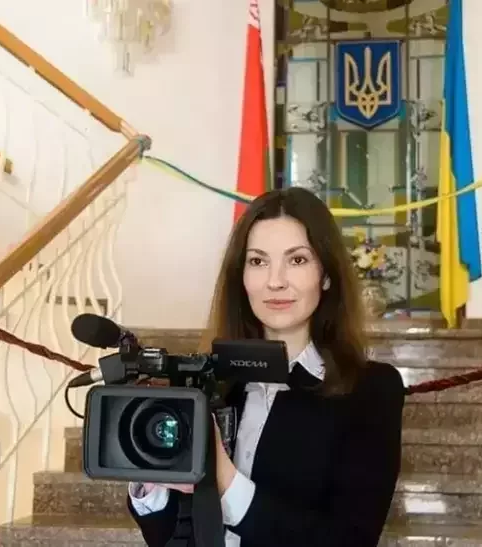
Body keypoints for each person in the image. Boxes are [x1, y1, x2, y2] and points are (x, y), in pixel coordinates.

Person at [126, 187, 405, 547]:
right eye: (258, 261)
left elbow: (349, 540)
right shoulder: (209, 383)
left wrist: (224, 480)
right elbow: (173, 537)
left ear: (326, 275)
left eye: (297, 260)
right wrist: (151, 481)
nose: (275, 281)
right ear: (241, 277)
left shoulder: (371, 389)